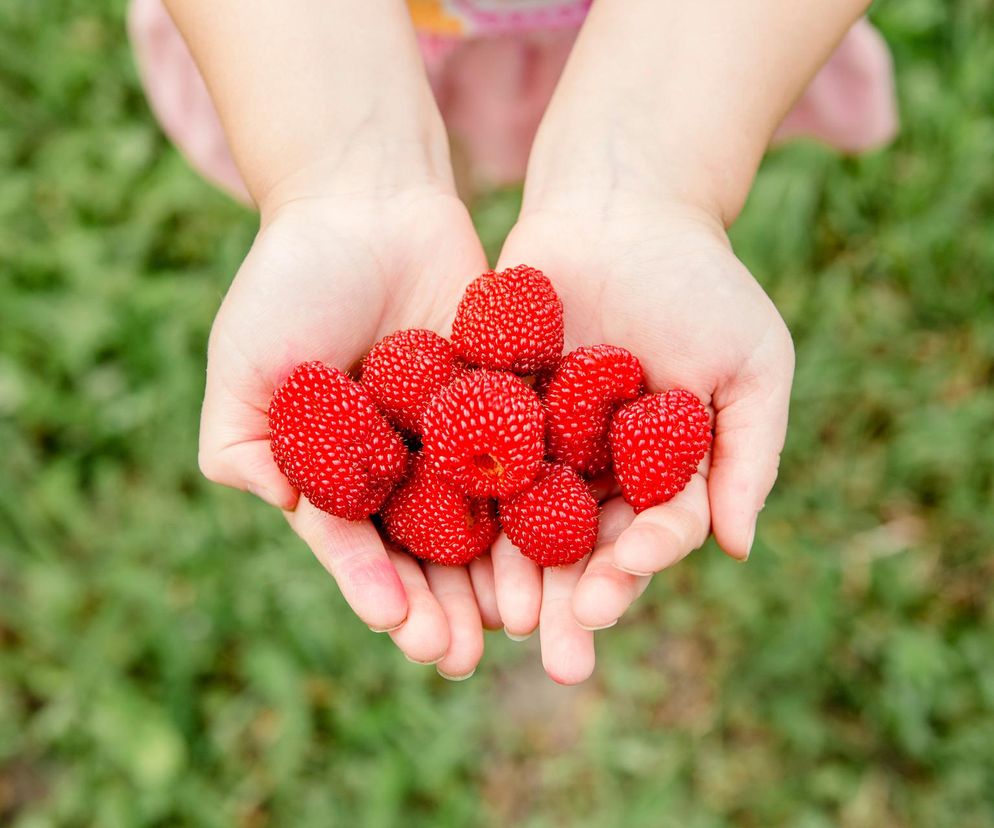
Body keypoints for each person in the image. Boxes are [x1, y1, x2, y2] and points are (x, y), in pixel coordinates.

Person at [130, 0, 898, 684]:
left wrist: (653, 176)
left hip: (691, 51)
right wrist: (338, 179)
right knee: (464, 151)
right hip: (305, 49)